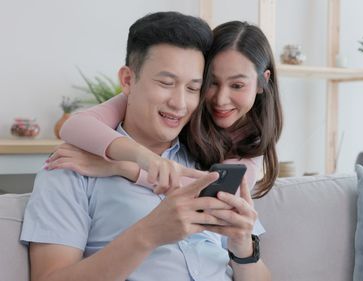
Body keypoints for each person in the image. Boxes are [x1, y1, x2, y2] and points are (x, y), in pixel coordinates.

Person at [21, 11, 271, 281]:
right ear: (128, 81)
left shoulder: (211, 158)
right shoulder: (70, 167)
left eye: (193, 88)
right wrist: (148, 234)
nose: (179, 103)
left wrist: (243, 248)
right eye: (166, 83)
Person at [50, 20, 283, 199]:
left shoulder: (254, 142)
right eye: (211, 82)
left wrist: (121, 167)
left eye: (238, 85)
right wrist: (146, 159)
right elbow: (75, 125)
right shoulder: (180, 103)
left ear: (263, 82)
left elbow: (212, 191)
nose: (221, 99)